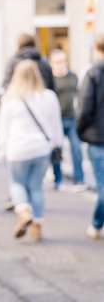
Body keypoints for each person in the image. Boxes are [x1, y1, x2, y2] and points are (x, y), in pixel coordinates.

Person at [0, 60, 63, 241]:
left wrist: (2, 149)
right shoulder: (49, 96)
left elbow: (3, 128)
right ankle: (37, 227)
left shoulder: (10, 99)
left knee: (17, 183)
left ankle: (24, 211)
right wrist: (57, 144)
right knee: (36, 187)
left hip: (17, 149)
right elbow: (56, 125)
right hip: (42, 149)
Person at [76, 33, 104, 240]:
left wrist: (80, 131)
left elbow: (85, 107)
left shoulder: (93, 72)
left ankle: (96, 224)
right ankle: (96, 225)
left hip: (97, 139)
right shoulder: (94, 73)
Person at [49, 49, 85, 190]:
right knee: (56, 151)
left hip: (72, 118)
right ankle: (57, 179)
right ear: (52, 63)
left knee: (76, 149)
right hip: (56, 120)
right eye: (57, 62)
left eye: (63, 61)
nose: (61, 65)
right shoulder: (50, 80)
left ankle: (79, 180)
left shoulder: (73, 77)